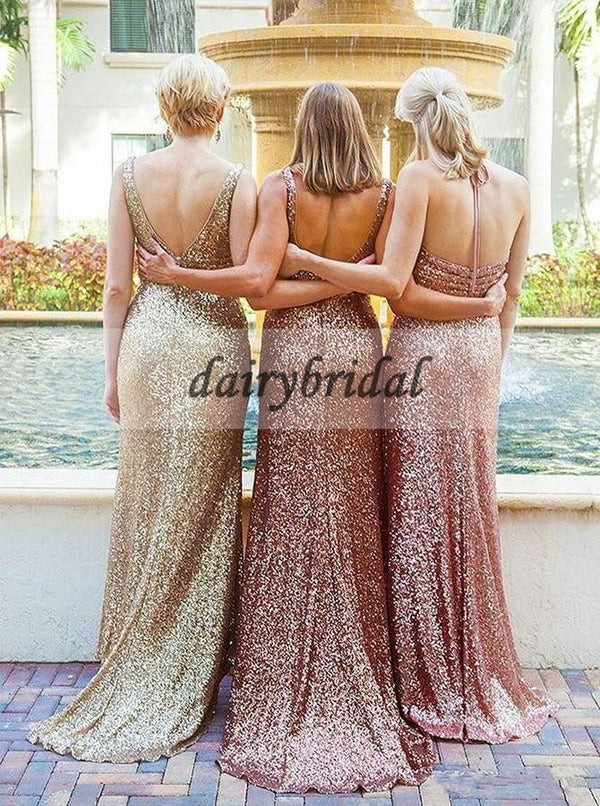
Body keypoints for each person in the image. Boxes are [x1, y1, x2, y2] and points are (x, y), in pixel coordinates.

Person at [281, 67, 556, 743]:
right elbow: (510, 299)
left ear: (412, 121)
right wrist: (489, 348)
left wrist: (308, 260)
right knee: (469, 509)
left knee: (418, 512)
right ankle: (477, 672)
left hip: (422, 359)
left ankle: (423, 680)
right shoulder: (518, 188)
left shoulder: (418, 180)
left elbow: (395, 289)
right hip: (481, 358)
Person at [28, 54, 259, 763]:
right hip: (213, 345)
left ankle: (139, 652)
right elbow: (248, 285)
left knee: (149, 496)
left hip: (149, 345)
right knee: (203, 503)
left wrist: (111, 372)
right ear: (218, 109)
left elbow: (115, 288)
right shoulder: (237, 180)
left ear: (164, 108)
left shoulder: (128, 175)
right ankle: (187, 661)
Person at [218, 82, 435, 794]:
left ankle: (279, 671)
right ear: (360, 127)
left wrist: (304, 265)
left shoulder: (282, 189)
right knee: (350, 505)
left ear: (305, 127)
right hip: (354, 348)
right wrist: (344, 283)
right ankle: (354, 665)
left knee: (289, 500)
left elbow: (258, 291)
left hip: (292, 354)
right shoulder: (385, 195)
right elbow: (387, 284)